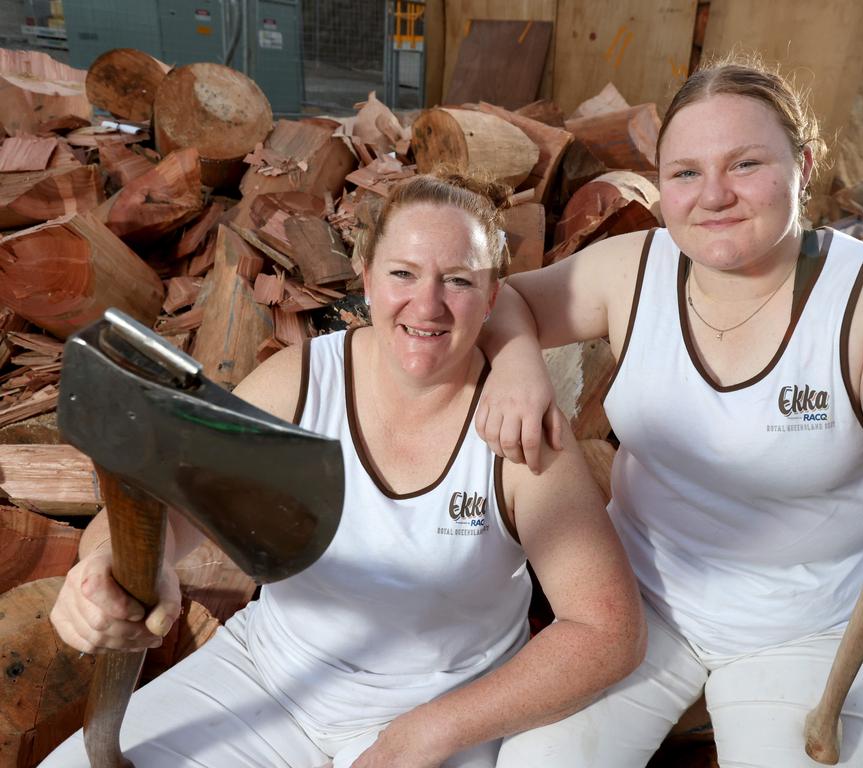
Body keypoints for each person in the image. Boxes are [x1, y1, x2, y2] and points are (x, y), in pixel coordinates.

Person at [42, 173, 646, 768]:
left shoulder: (517, 431)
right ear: (366, 277)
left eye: (458, 280)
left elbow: (605, 631)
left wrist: (433, 731)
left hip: (439, 704)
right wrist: (104, 566)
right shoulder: (301, 385)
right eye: (402, 273)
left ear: (492, 298)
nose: (427, 304)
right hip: (269, 673)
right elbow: (167, 506)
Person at [477, 59, 863, 767]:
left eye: (745, 164)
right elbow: (507, 300)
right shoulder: (635, 269)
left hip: (807, 630)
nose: (713, 196)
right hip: (632, 599)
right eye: (684, 173)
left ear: (802, 166)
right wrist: (519, 364)